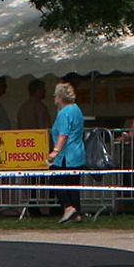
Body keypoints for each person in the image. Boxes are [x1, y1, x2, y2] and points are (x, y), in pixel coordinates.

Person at [49, 80, 88, 224]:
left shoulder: (63, 113)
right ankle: (76, 212)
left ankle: (68, 207)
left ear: (60, 97)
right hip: (78, 153)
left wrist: (55, 151)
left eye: (55, 96)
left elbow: (63, 134)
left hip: (65, 155)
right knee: (73, 185)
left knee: (55, 180)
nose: (54, 98)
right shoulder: (77, 109)